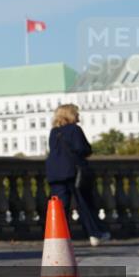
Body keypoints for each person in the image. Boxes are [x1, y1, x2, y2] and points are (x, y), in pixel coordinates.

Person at [46, 103, 110, 246]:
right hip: (73, 171)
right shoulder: (74, 129)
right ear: (71, 114)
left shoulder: (53, 132)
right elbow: (83, 149)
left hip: (55, 172)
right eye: (76, 113)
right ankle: (94, 233)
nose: (78, 116)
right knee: (84, 203)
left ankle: (60, 236)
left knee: (60, 207)